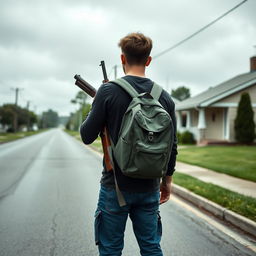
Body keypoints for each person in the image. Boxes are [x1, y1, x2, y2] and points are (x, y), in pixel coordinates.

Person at [80, 32, 177, 256]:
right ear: (149, 60)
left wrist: (96, 105)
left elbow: (86, 135)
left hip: (114, 187)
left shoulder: (108, 91)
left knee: (111, 250)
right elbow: (172, 146)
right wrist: (167, 181)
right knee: (152, 248)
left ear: (122, 59)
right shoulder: (164, 97)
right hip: (150, 187)